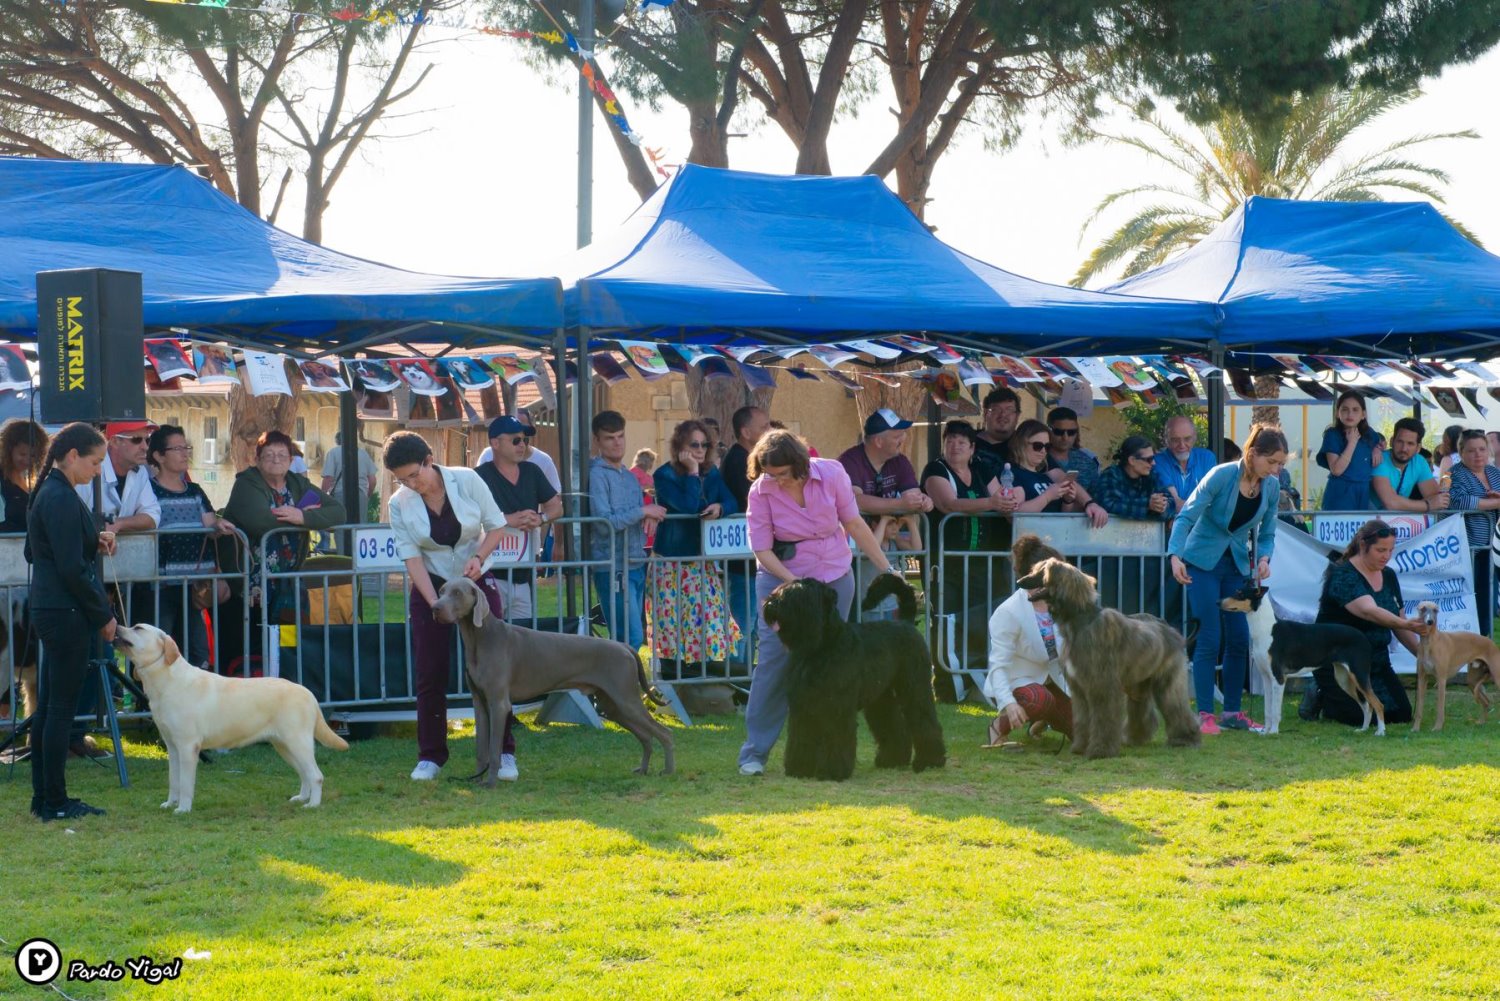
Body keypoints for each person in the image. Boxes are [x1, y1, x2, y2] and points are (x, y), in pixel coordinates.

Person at [736, 430, 897, 776]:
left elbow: (854, 523)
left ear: (800, 464)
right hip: (782, 580)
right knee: (774, 662)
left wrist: (887, 569)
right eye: (769, 474)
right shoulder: (760, 491)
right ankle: (754, 753)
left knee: (830, 663)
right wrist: (795, 587)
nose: (776, 480)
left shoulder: (834, 474)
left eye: (782, 473)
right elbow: (761, 549)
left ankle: (826, 751)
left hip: (835, 576)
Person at [383, 431, 516, 782]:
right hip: (432, 585)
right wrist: (436, 605)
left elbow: (497, 526)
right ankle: (431, 756)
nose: (412, 484)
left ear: (430, 460)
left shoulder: (468, 480)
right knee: (430, 671)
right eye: (403, 479)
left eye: (415, 474)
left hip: (476, 585)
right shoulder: (399, 503)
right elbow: (411, 559)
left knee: (495, 670)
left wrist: (479, 557)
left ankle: (504, 752)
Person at [1168, 424, 1287, 734]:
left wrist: (1263, 557)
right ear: (1252, 454)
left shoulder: (1271, 488)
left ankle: (1232, 713)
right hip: (1202, 563)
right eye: (1272, 462)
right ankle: (1205, 714)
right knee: (1210, 636)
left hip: (1237, 565)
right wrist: (1175, 556)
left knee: (1238, 639)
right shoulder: (1221, 475)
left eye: (1280, 463)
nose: (1276, 470)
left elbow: (1269, 531)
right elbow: (1186, 517)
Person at [25, 423, 117, 821]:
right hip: (67, 611)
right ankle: (56, 802)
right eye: (95, 462)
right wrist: (105, 615)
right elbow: (71, 569)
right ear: (73, 455)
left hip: (52, 607)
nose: (98, 470)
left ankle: (44, 797)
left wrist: (91, 539)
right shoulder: (60, 495)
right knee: (59, 708)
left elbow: (36, 550)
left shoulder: (51, 491)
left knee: (49, 707)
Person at [1305, 519, 1426, 727]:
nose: (1386, 556)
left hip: (1376, 661)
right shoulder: (1342, 574)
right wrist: (1407, 625)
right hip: (1338, 662)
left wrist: (1425, 656)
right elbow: (1369, 611)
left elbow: (1399, 623)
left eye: (1390, 550)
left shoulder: (1388, 575)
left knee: (1400, 714)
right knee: (1360, 718)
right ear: (1363, 545)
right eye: (1380, 550)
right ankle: (1319, 692)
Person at [222, 430, 345, 627]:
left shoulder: (298, 483)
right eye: (269, 455)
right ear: (258, 459)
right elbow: (260, 521)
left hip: (290, 577)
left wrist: (303, 516)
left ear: (291, 460)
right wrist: (301, 516)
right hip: (250, 581)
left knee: (288, 640)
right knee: (253, 642)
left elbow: (338, 512)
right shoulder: (246, 483)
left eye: (282, 455)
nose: (276, 460)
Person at [648, 420, 740, 680]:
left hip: (702, 561)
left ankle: (704, 673)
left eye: (705, 445)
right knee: (673, 622)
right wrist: (690, 472)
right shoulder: (664, 475)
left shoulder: (711, 472)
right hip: (672, 560)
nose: (700, 450)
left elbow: (731, 499)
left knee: (707, 619)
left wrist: (720, 508)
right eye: (694, 445)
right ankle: (674, 674)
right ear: (680, 446)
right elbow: (687, 507)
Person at [144, 426, 235, 669]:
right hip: (162, 584)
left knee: (198, 652)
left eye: (187, 447)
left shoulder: (195, 490)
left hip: (197, 584)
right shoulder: (148, 490)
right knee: (160, 649)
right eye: (177, 448)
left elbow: (210, 525)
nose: (185, 453)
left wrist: (220, 526)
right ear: (158, 456)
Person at [984, 535, 1073, 747]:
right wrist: (1007, 702)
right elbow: (998, 666)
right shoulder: (1008, 612)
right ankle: (997, 728)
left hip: (1053, 681)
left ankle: (1042, 721)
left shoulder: (1062, 604)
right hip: (1017, 683)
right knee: (1038, 698)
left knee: (1085, 735)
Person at [588, 411, 666, 649]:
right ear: (597, 441)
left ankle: (628, 685)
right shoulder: (597, 474)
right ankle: (623, 686)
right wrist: (643, 512)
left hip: (635, 562)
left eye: (620, 436)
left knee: (634, 636)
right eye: (610, 437)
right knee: (627, 638)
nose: (617, 442)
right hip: (612, 567)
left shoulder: (631, 478)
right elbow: (604, 523)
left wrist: (650, 518)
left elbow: (634, 515)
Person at [475, 415, 561, 621]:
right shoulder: (478, 476)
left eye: (525, 440)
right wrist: (505, 520)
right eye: (515, 440)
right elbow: (468, 516)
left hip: (524, 573)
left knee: (523, 638)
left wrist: (542, 518)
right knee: (491, 639)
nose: (522, 445)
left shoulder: (532, 471)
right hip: (490, 573)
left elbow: (556, 506)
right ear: (495, 443)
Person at [720, 406, 770, 664]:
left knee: (752, 621)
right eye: (763, 426)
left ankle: (744, 675)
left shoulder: (750, 457)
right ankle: (738, 673)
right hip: (743, 559)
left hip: (753, 555)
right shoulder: (739, 459)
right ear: (745, 431)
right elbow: (749, 500)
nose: (768, 431)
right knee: (743, 619)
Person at [1447, 429, 1500, 639]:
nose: (1478, 455)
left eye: (1482, 449)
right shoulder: (1450, 473)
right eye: (1471, 451)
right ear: (1461, 452)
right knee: (1474, 593)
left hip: (1494, 545)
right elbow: (1458, 501)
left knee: (1490, 593)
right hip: (1468, 546)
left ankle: (1486, 639)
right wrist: (1496, 502)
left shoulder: (1495, 472)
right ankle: (1473, 639)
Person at [75, 420, 161, 539]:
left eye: (147, 440)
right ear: (115, 441)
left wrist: (119, 523)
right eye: (136, 440)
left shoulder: (140, 471)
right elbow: (71, 518)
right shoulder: (89, 468)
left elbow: (152, 515)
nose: (145, 447)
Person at [1317, 391, 1383, 511]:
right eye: (1345, 409)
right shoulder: (1332, 435)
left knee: (1361, 529)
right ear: (1338, 413)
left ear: (1363, 414)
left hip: (1363, 491)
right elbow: (1336, 470)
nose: (1350, 414)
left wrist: (1376, 449)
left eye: (1355, 410)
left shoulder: (1369, 434)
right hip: (1340, 492)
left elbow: (1380, 442)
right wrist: (1352, 442)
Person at [1370, 417, 1449, 513]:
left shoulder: (1419, 461)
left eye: (1410, 444)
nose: (1404, 448)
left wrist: (1431, 503)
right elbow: (1391, 503)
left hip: (1401, 523)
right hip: (1368, 523)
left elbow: (1436, 498)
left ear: (1418, 448)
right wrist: (1427, 505)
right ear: (1391, 441)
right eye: (1400, 442)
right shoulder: (1380, 459)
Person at [1007, 419, 1080, 514]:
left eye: (1047, 446)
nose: (1043, 451)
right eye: (1038, 446)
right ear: (1021, 444)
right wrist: (1047, 496)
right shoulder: (1012, 474)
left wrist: (1068, 501)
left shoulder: (1046, 476)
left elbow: (1063, 516)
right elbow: (1015, 514)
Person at [1093, 436, 1171, 522]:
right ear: (1132, 460)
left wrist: (1161, 505)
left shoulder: (1152, 476)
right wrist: (1147, 505)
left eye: (1153, 458)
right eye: (1149, 459)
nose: (1154, 463)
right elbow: (1108, 504)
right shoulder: (1111, 474)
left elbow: (1171, 503)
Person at [1155, 415, 1216, 515]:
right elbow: (1176, 504)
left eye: (1187, 439)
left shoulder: (1206, 458)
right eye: (1175, 440)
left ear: (1195, 437)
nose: (1182, 445)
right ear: (1166, 440)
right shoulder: (1158, 462)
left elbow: (1214, 501)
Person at [0, 419, 45, 533]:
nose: (27, 460)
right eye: (22, 454)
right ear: (9, 449)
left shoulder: (28, 479)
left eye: (33, 455)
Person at [321, 433, 376, 524]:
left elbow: (328, 478)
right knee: (360, 526)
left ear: (337, 441)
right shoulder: (363, 454)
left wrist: (322, 496)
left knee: (341, 527)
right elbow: (373, 480)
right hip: (361, 494)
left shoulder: (333, 453)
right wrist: (367, 495)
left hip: (340, 494)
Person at [1043, 406, 1100, 495]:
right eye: (1059, 432)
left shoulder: (1087, 463)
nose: (1065, 437)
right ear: (1048, 430)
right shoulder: (1037, 459)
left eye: (1071, 432)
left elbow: (1096, 499)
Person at [974, 386, 1021, 476]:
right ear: (985, 413)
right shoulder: (968, 443)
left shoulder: (1027, 445)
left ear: (1017, 416)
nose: (1003, 414)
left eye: (1009, 409)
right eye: (996, 409)